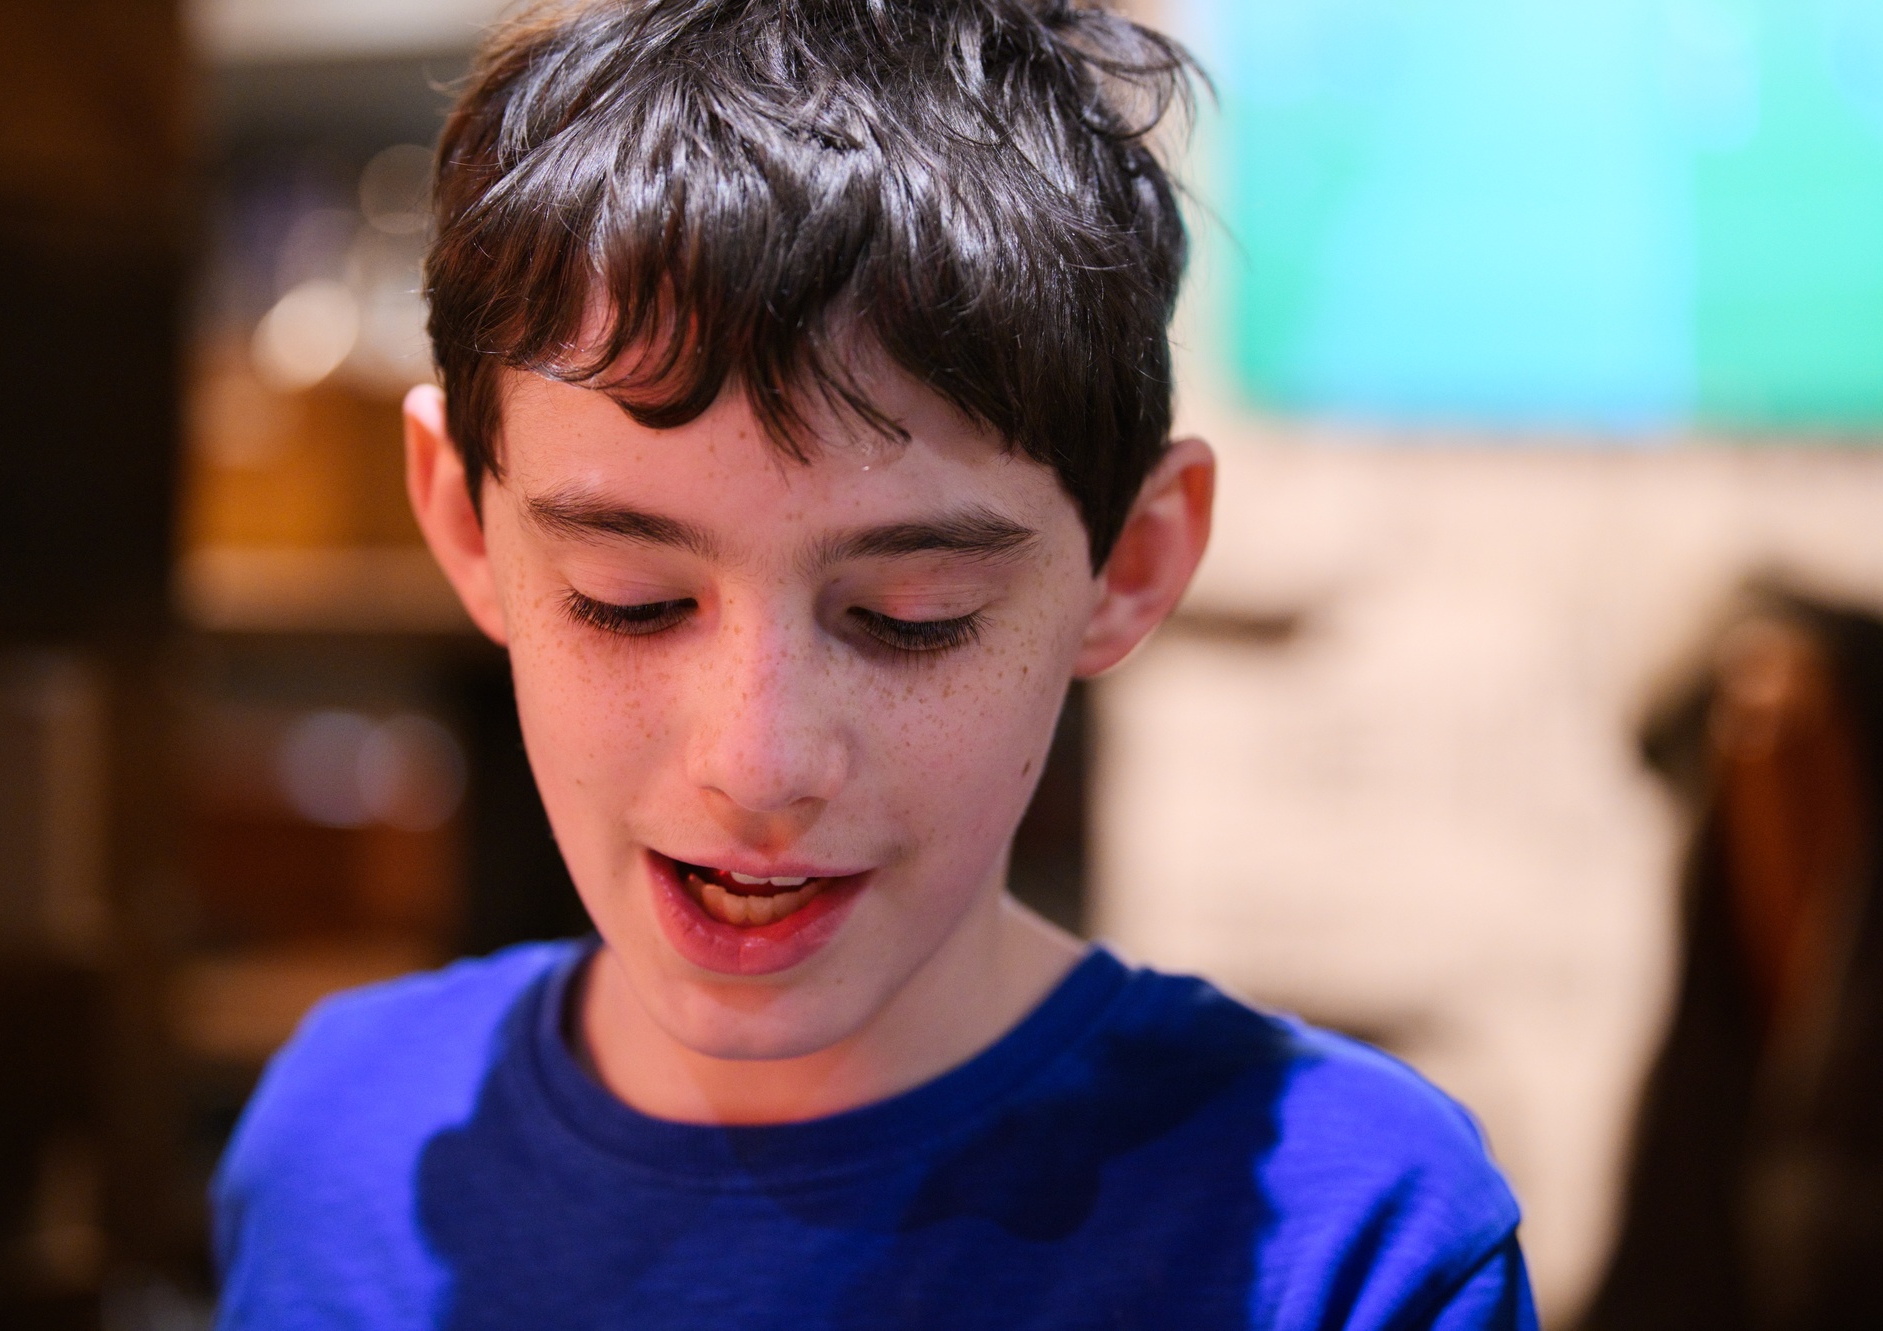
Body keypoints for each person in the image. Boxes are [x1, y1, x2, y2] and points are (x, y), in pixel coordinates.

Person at [212, 1, 1538, 1326]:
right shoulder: (338, 1148)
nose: (757, 763)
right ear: (462, 520)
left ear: (1130, 564)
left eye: (911, 616)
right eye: (633, 602)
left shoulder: (1346, 1236)